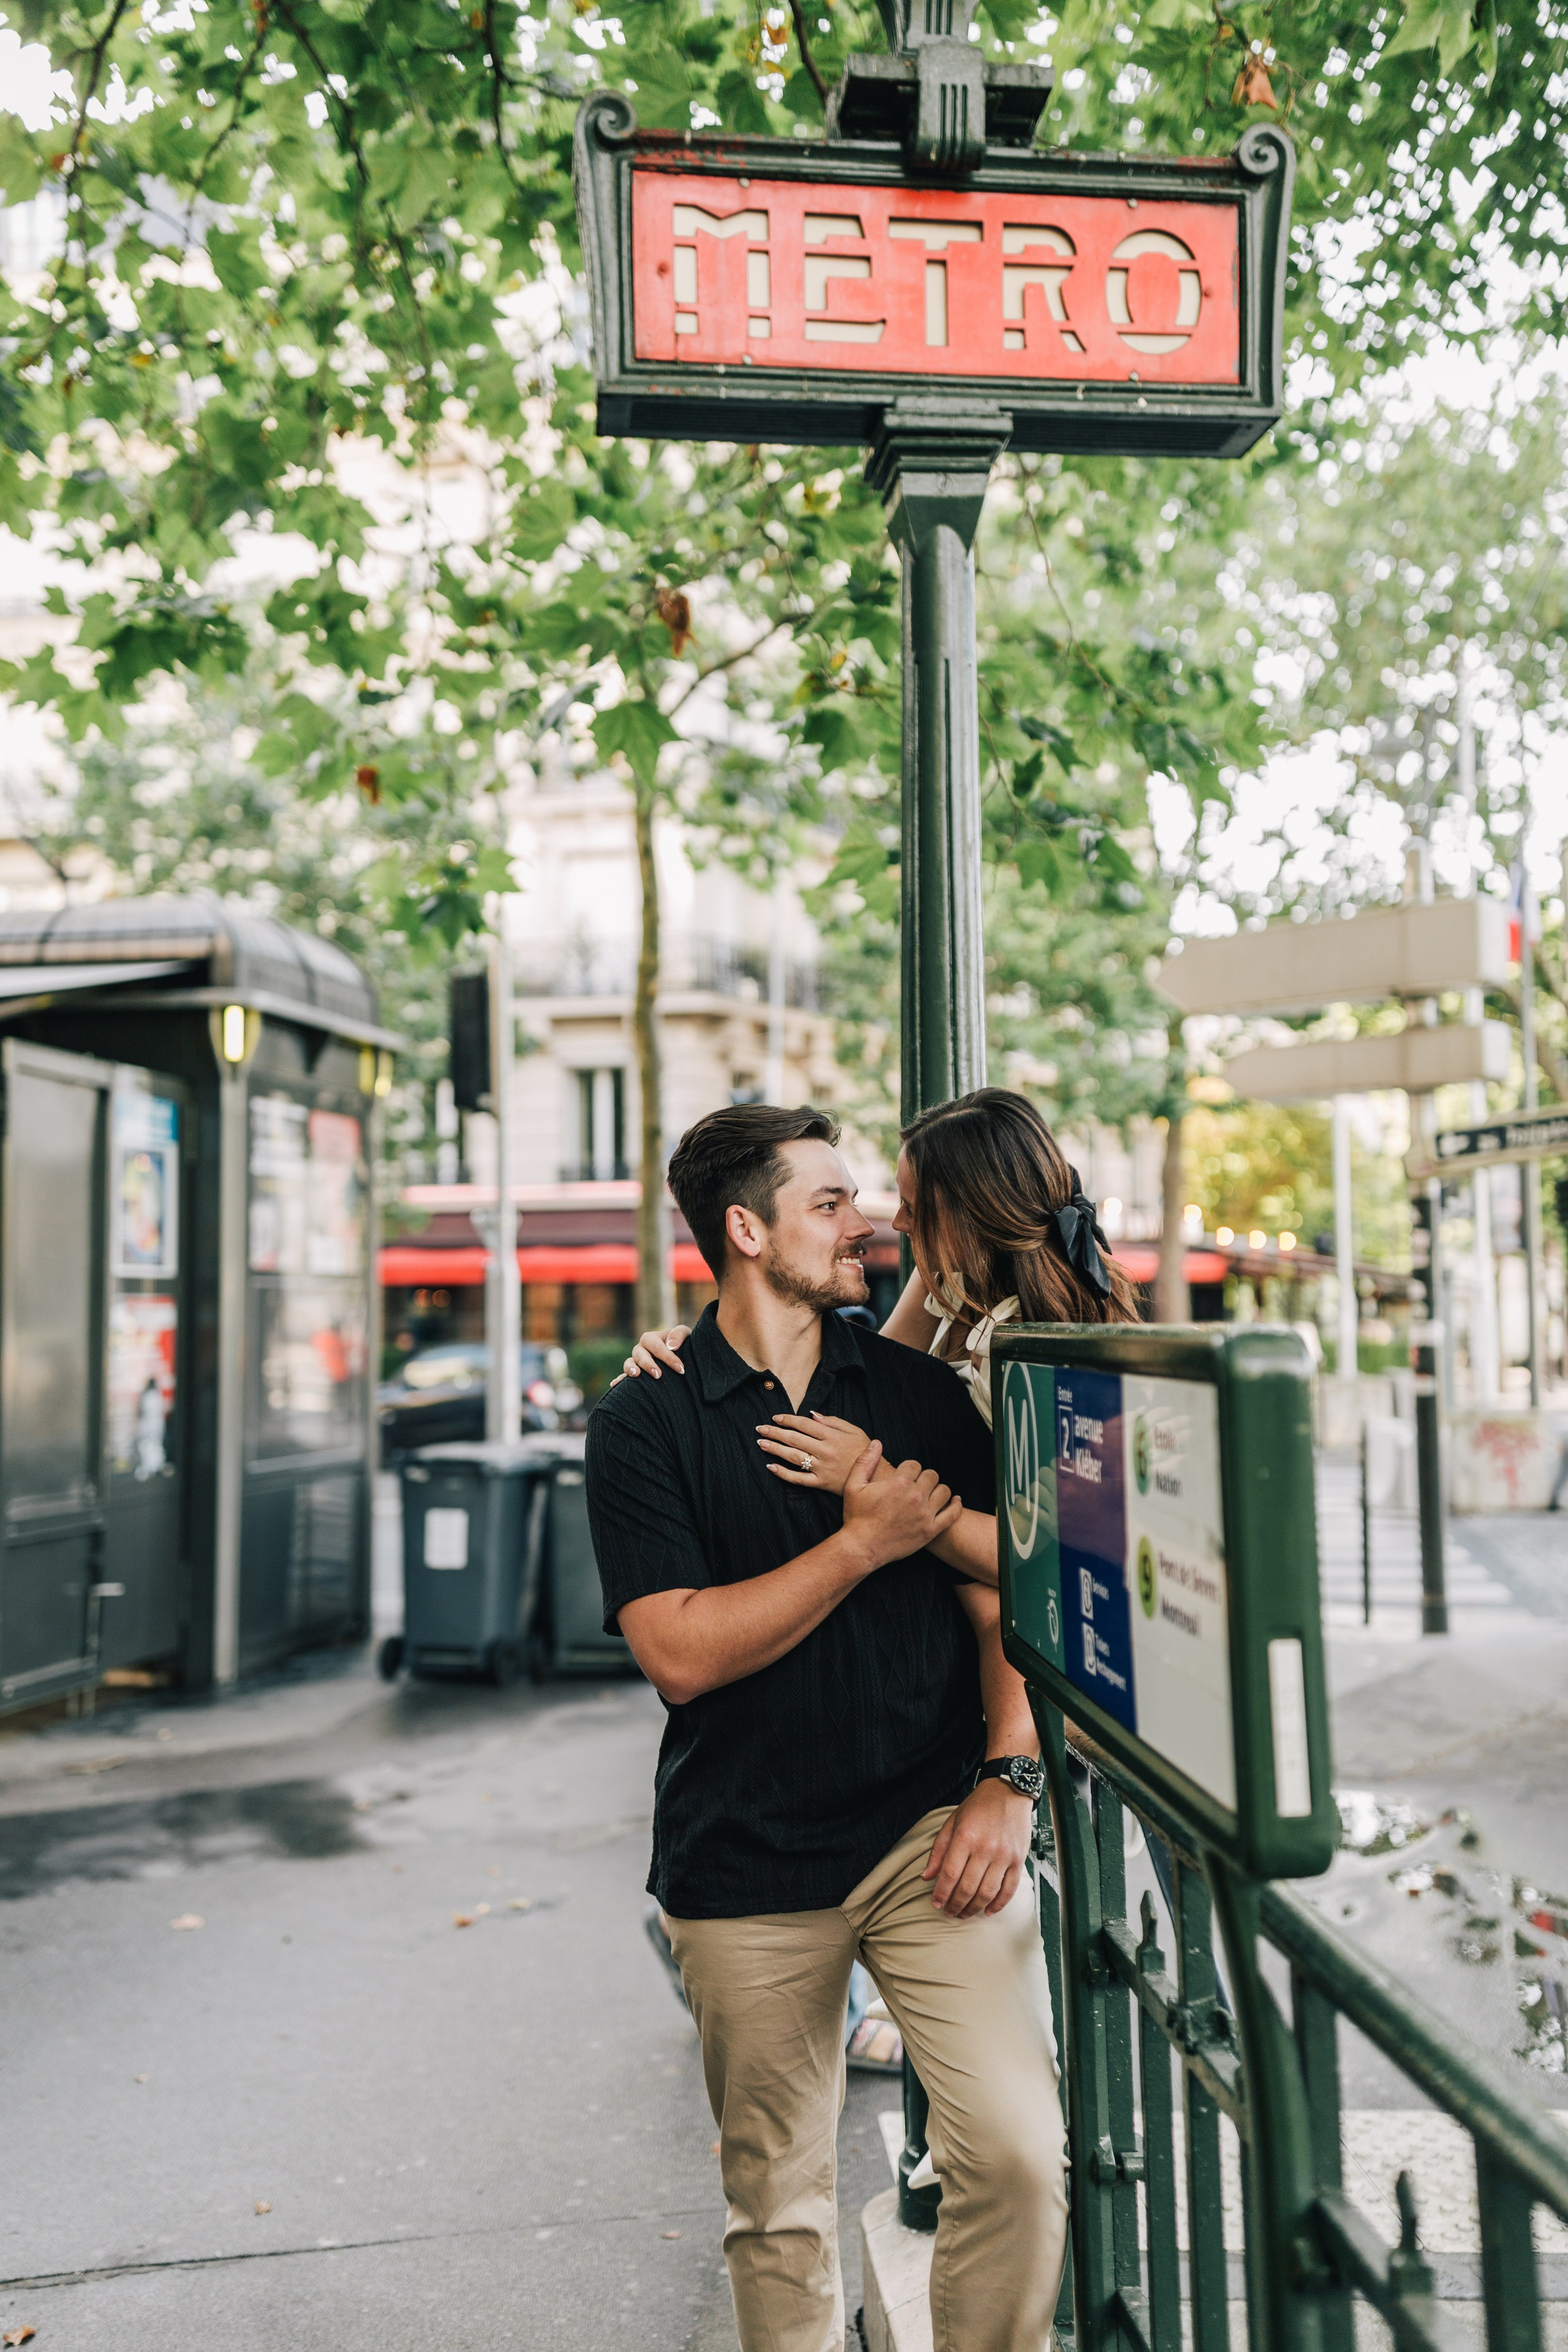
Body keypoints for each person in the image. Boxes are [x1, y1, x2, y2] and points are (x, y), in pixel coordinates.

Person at [586, 1102, 1066, 2352]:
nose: (868, 1223)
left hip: (928, 1836)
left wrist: (1005, 1776)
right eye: (831, 1202)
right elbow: (679, 1653)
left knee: (1018, 2158)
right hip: (740, 1857)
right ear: (746, 1232)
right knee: (777, 2213)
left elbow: (996, 1604)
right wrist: (862, 1544)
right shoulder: (644, 1418)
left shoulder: (916, 1392)